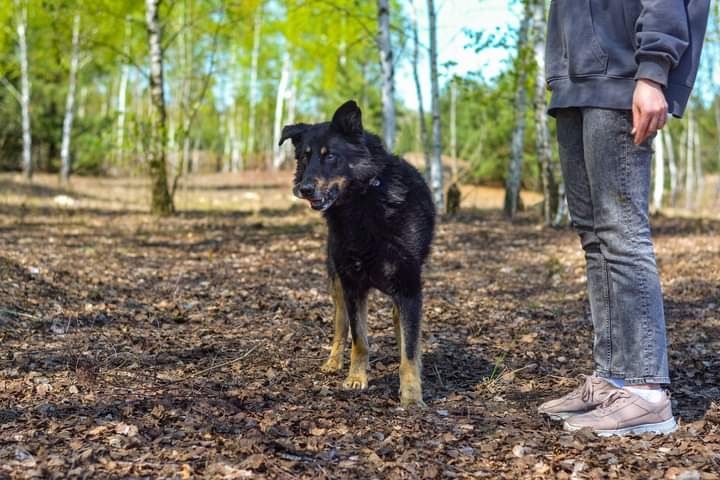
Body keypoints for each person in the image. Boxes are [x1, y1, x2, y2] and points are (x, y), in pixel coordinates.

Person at [537, 0, 711, 436]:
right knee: (594, 238)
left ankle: (647, 393)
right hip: (576, 82)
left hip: (620, 75)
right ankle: (614, 377)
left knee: (621, 233)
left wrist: (653, 72)